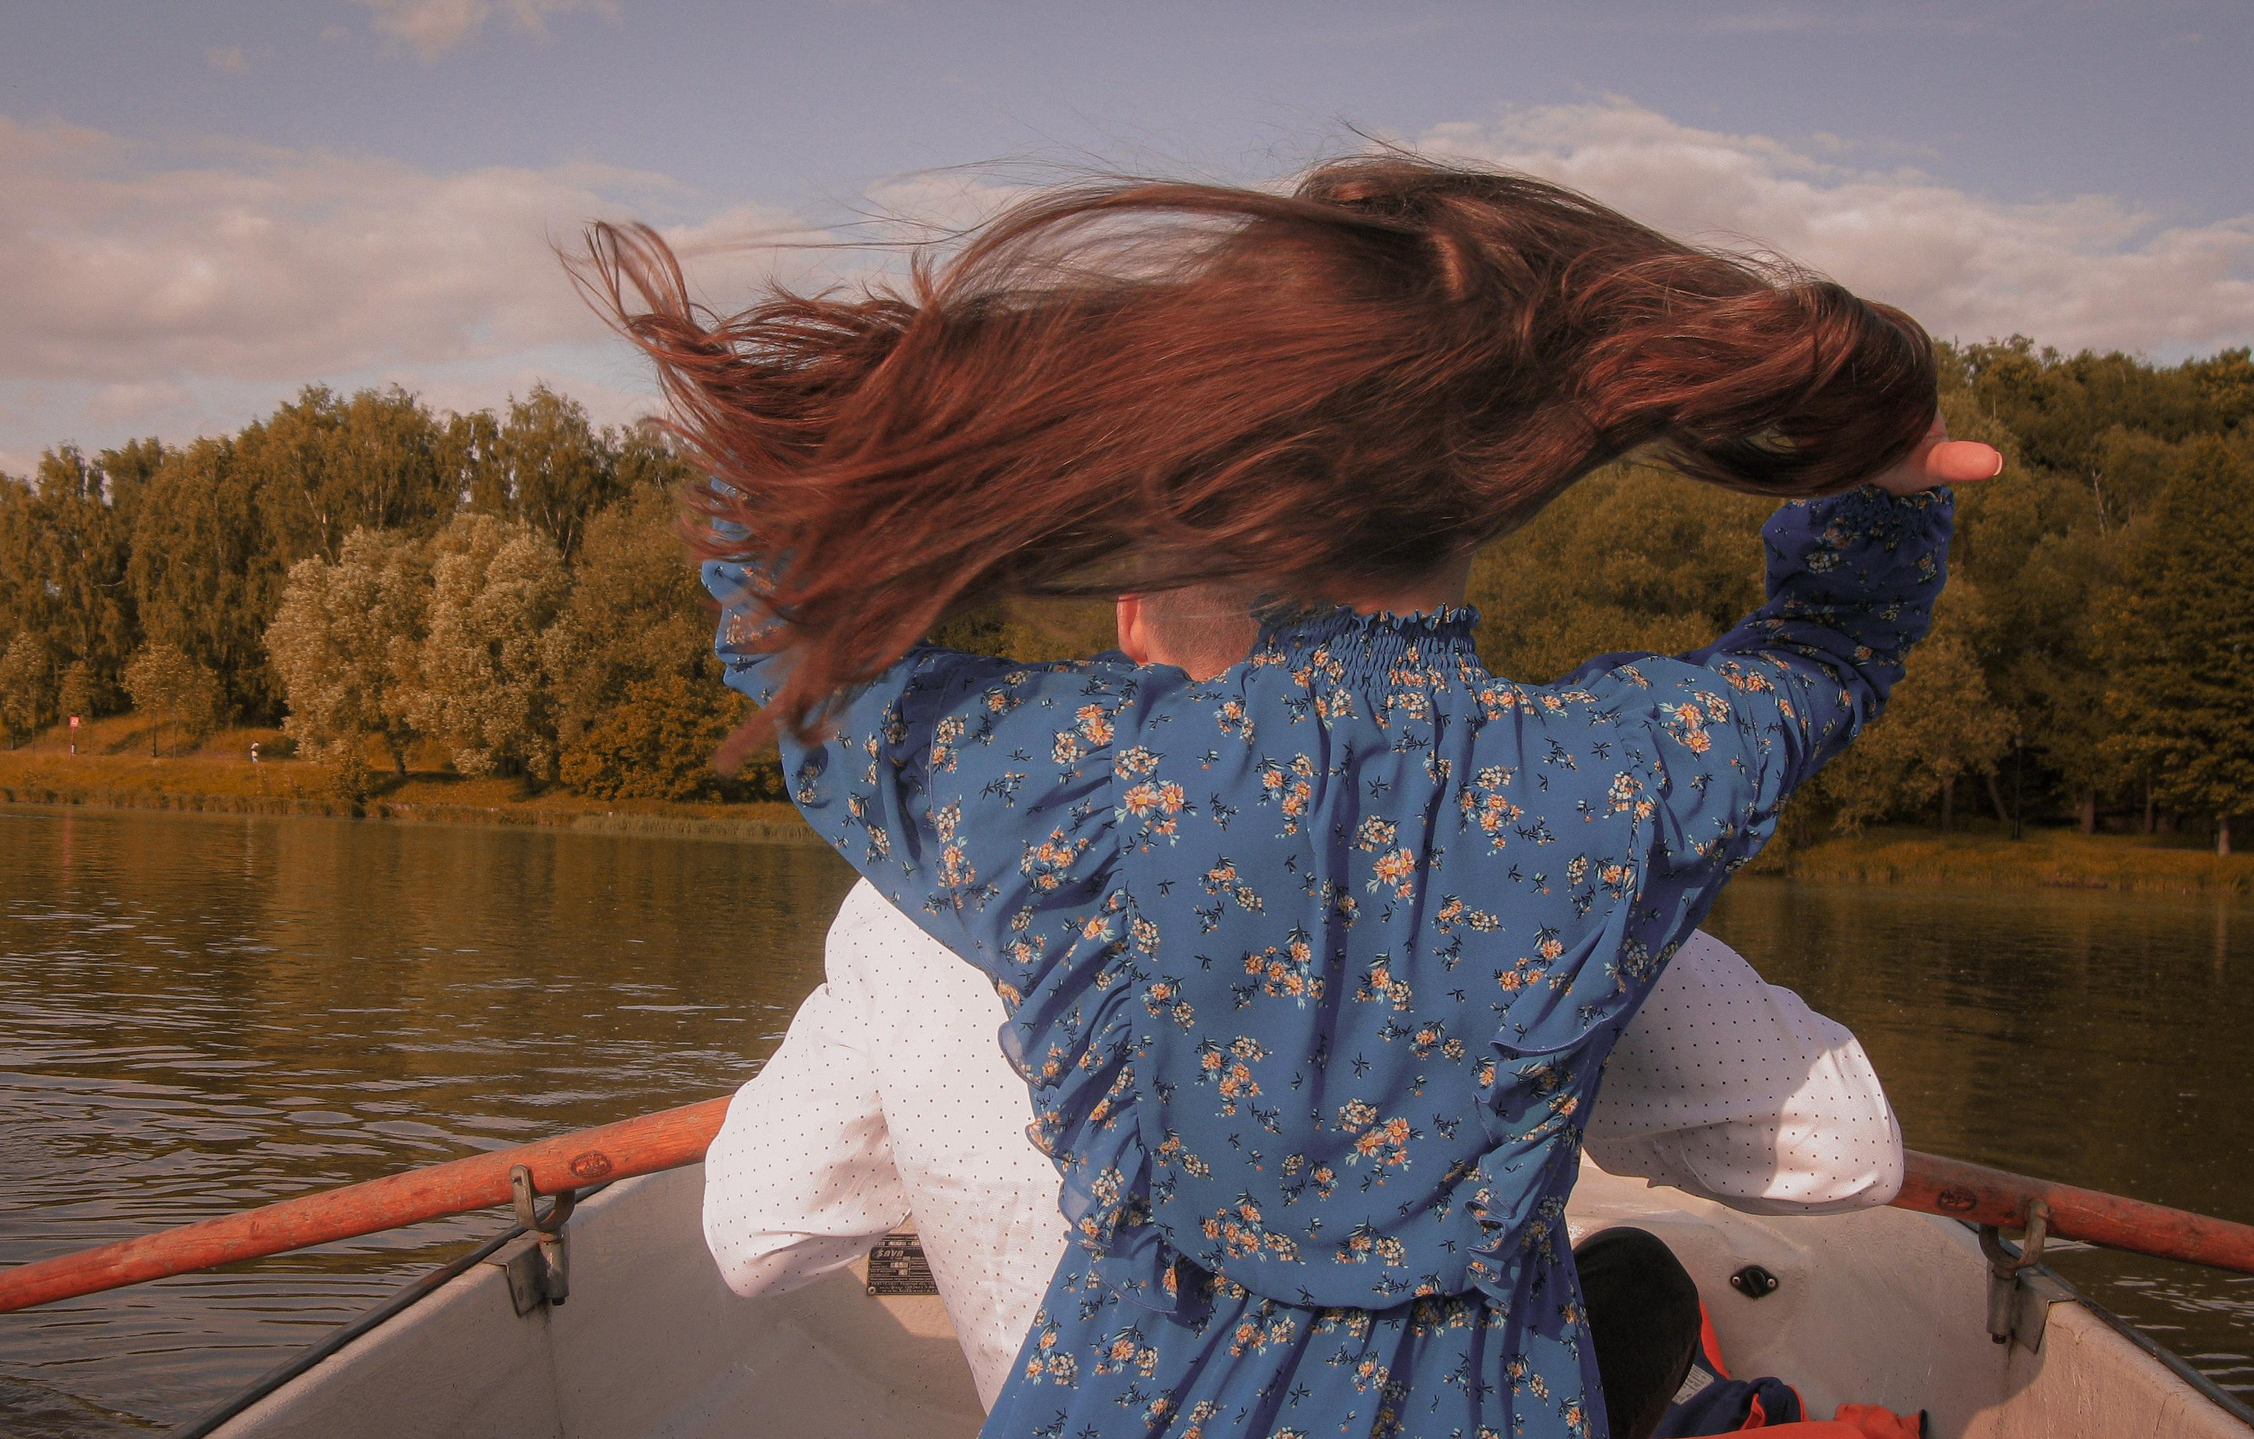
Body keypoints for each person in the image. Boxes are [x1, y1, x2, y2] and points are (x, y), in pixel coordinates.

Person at [587, 152, 2002, 1439]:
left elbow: (782, 623)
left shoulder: (1078, 785)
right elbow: (1832, 646)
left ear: (1243, 463)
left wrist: (978, 411)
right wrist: (1886, 476)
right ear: (1491, 477)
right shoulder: (1619, 778)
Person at [707, 879, 1903, 1411]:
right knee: (1641, 1278)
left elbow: (754, 1231)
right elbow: (1846, 1145)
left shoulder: (919, 894)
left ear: (1130, 616)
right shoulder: (1540, 842)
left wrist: (937, 1128)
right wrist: (1592, 1080)